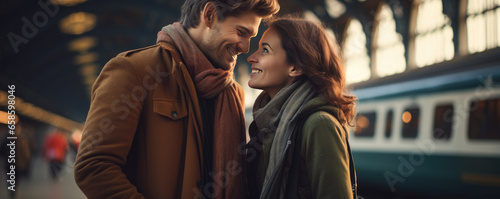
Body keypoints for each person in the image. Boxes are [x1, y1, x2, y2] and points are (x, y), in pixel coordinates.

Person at [74, 0, 280, 198]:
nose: (245, 47)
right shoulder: (135, 71)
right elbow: (94, 166)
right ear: (209, 16)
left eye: (251, 37)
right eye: (241, 32)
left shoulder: (233, 92)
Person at [245, 17, 358, 199]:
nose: (251, 57)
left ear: (295, 67)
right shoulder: (270, 123)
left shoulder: (319, 124)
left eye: (265, 50)